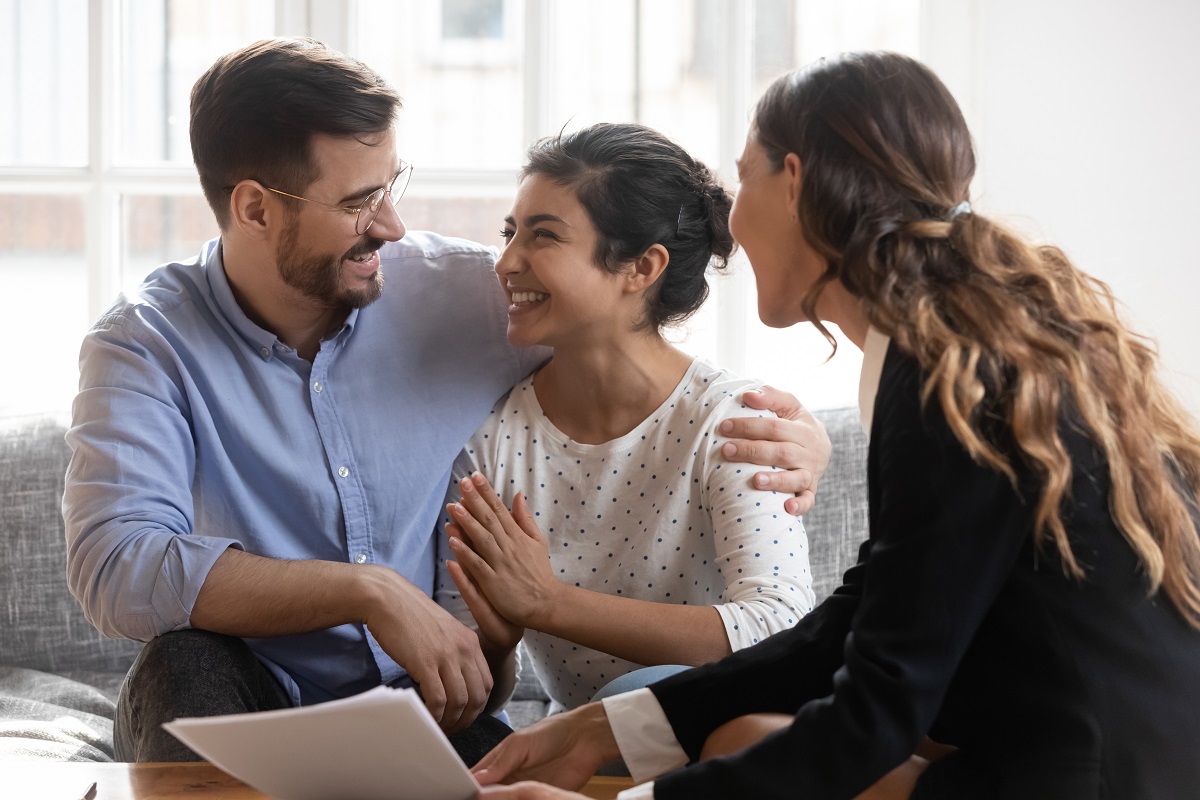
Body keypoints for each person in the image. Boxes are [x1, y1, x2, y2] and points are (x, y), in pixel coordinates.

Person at [60, 37, 831, 766]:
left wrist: (800, 434)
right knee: (181, 663)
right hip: (254, 695)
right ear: (257, 209)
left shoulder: (474, 296)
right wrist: (366, 592)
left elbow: (621, 339)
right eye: (361, 200)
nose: (393, 226)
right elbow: (117, 565)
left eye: (392, 186)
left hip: (431, 710)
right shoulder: (145, 344)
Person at [467, 51, 1200, 800]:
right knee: (744, 734)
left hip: (1091, 778)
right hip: (1097, 754)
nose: (732, 221)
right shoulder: (945, 341)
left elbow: (880, 702)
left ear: (794, 183)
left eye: (742, 177)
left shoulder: (949, 375)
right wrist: (603, 729)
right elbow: (853, 623)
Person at [435, 123, 817, 717]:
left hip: (733, 731)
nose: (506, 262)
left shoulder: (731, 423)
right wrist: (496, 641)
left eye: (543, 237)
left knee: (632, 697)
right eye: (510, 234)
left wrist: (549, 603)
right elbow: (471, 688)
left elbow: (778, 627)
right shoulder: (490, 441)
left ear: (641, 268)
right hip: (584, 747)